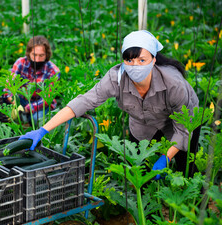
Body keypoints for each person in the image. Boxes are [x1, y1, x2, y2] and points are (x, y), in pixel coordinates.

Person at [19, 30, 200, 178]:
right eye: (129, 60)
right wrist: (43, 129)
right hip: (142, 127)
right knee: (139, 173)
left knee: (186, 167)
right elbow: (84, 101)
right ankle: (144, 216)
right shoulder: (116, 78)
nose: (135, 65)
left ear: (153, 60)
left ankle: (196, 207)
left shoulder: (173, 84)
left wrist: (165, 158)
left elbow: (183, 129)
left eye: (141, 60)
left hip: (180, 126)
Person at [3, 35, 60, 124]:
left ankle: (28, 122)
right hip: (21, 99)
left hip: (41, 104)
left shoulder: (53, 71)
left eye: (41, 55)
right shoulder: (20, 63)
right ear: (29, 53)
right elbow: (8, 88)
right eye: (34, 55)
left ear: (47, 55)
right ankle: (22, 121)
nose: (37, 59)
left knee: (37, 119)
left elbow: (47, 98)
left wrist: (27, 109)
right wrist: (16, 104)